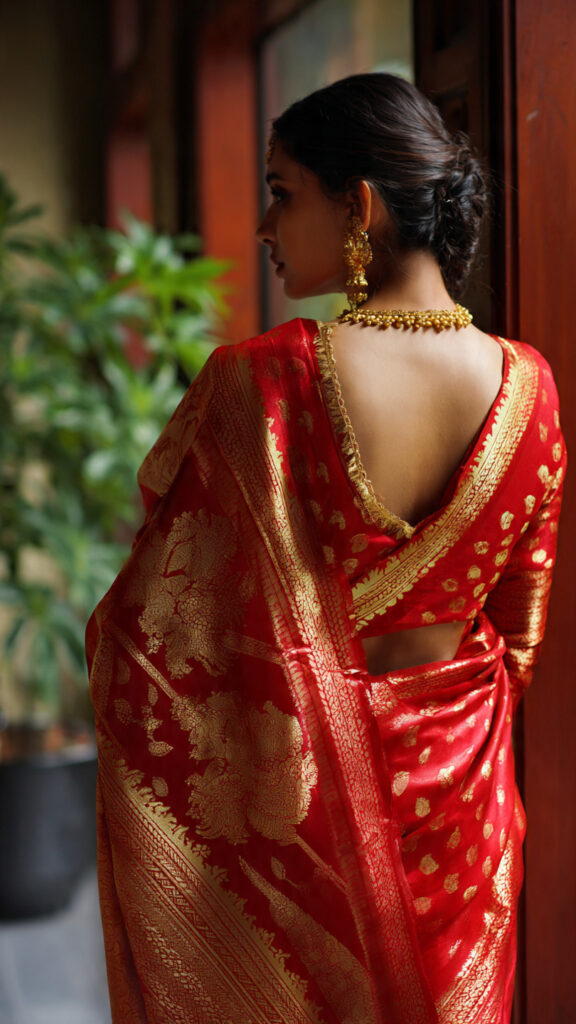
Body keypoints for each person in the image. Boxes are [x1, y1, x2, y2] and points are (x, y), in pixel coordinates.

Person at [86, 74, 565, 1024]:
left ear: (363, 206)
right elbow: (519, 638)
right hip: (464, 828)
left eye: (281, 190)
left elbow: (154, 635)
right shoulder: (533, 388)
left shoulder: (259, 384)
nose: (266, 225)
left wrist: (310, 715)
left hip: (297, 836)